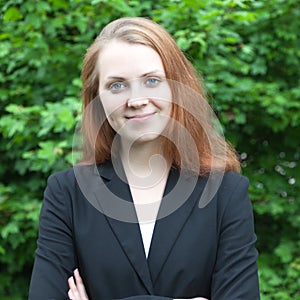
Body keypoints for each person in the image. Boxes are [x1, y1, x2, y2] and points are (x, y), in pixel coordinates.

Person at [28, 17, 260, 300]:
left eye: (151, 81)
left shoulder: (225, 192)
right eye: (116, 86)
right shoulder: (68, 194)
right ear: (96, 99)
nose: (136, 100)